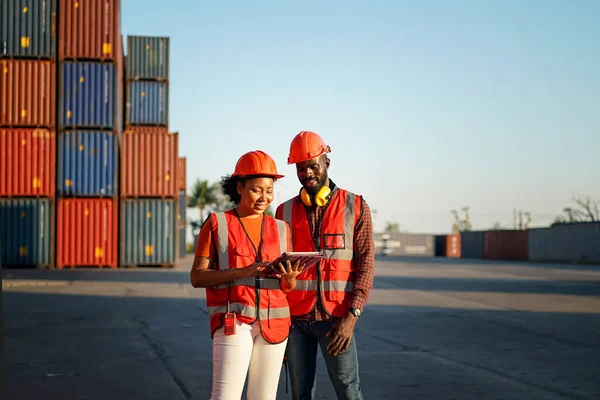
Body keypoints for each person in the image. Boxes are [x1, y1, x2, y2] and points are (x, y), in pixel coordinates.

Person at [191, 150, 304, 400]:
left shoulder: (281, 229)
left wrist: (289, 280)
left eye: (269, 190)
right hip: (234, 323)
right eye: (256, 190)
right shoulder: (217, 224)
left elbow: (284, 288)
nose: (264, 197)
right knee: (225, 396)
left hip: (274, 325)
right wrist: (239, 272)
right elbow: (197, 277)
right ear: (239, 186)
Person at [276, 131, 375, 400]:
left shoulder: (355, 206)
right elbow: (277, 273)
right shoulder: (283, 212)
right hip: (295, 321)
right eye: (300, 168)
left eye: (313, 166)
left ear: (327, 163)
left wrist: (351, 318)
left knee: (348, 391)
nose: (307, 173)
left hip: (336, 319)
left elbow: (365, 266)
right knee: (300, 393)